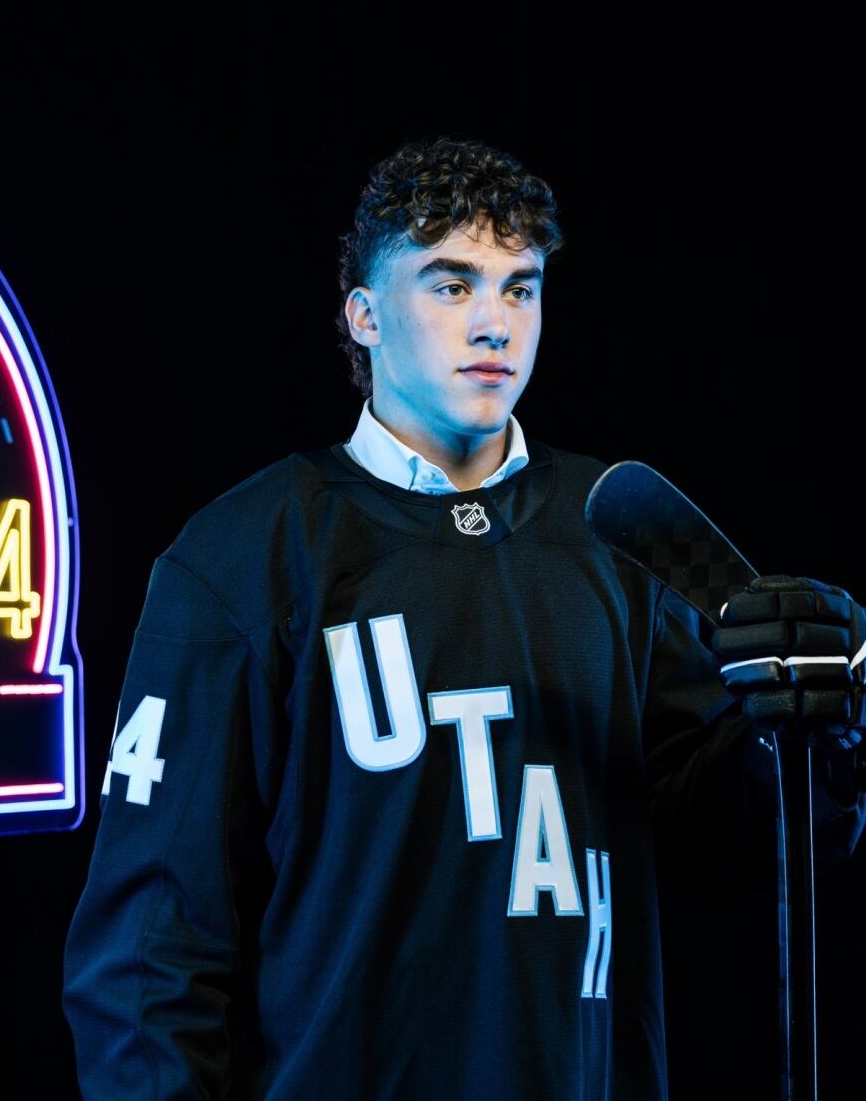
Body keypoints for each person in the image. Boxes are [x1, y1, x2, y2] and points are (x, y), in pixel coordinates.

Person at [62, 136, 866, 1098]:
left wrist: (808, 730)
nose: (495, 325)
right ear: (363, 316)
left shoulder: (630, 523)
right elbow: (149, 956)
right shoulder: (241, 554)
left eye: (519, 289)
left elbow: (726, 844)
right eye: (450, 286)